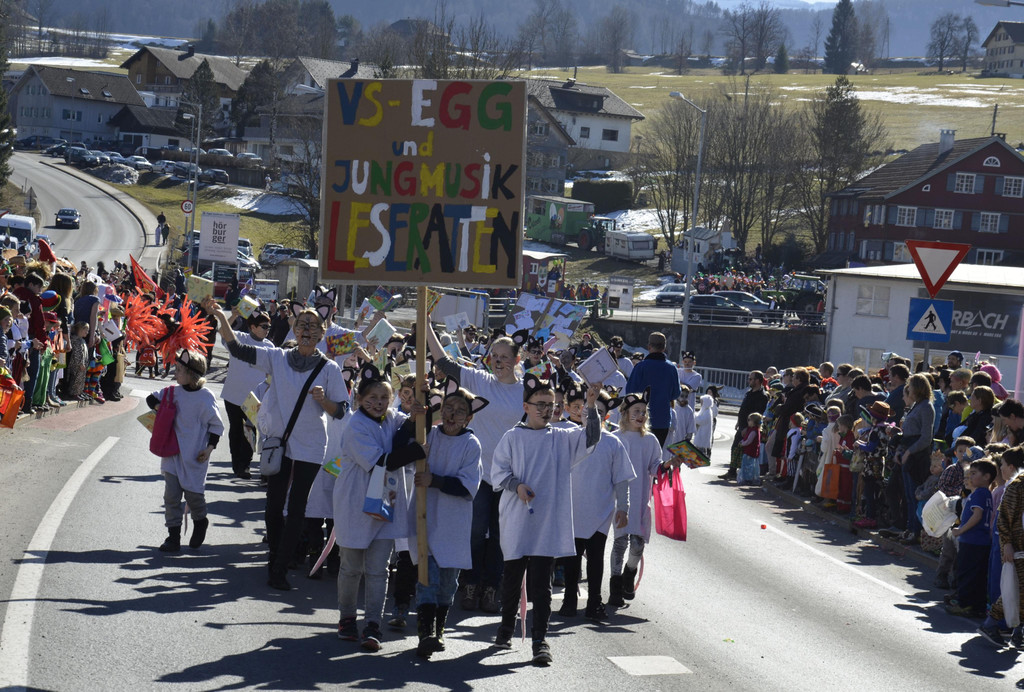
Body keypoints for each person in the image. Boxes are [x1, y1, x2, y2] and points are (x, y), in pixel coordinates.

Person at [203, 297, 349, 591]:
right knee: (273, 507)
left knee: (296, 509)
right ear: (294, 329)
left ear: (322, 333)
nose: (307, 330)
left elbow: (342, 411)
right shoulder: (278, 358)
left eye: (313, 326)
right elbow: (238, 349)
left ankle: (280, 568)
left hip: (311, 447)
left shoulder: (330, 369)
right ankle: (275, 556)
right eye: (302, 324)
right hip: (279, 444)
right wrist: (220, 317)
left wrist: (324, 401)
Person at [491, 374, 601, 666]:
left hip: (548, 522)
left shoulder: (562, 437)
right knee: (512, 579)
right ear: (526, 406)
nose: (546, 410)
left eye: (551, 405)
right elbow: (498, 472)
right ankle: (505, 628)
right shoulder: (512, 437)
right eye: (540, 404)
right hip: (517, 519)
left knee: (542, 585)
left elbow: (591, 439)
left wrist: (591, 406)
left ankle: (540, 640)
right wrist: (517, 485)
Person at [426, 324, 525, 614]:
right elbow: (444, 363)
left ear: (517, 360)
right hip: (479, 474)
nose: (498, 361)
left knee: (500, 536)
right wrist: (427, 324)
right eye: (494, 355)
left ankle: (492, 588)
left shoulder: (525, 392)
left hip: (510, 477)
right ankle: (469, 584)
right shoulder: (479, 380)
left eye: (505, 356)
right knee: (474, 532)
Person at [333, 363, 426, 652]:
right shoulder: (355, 426)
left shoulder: (391, 418)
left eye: (384, 397)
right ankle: (347, 618)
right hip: (355, 502)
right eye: (371, 398)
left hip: (386, 500)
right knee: (351, 567)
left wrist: (420, 408)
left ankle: (373, 623)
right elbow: (380, 462)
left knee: (378, 569)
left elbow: (409, 424)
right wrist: (414, 451)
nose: (378, 403)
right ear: (359, 399)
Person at [408, 380, 486, 659]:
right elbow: (407, 453)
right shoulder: (428, 434)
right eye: (449, 407)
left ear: (469, 418)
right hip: (425, 516)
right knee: (427, 578)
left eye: (460, 411)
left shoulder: (471, 444)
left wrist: (436, 480)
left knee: (448, 583)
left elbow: (468, 486)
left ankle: (439, 629)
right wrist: (416, 415)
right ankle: (425, 634)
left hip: (453, 522)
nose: (452, 415)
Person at [559, 386, 633, 621]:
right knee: (571, 560)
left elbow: (621, 478)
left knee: (595, 558)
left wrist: (623, 507)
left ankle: (594, 602)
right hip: (572, 510)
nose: (590, 414)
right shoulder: (570, 438)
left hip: (600, 512)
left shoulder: (613, 443)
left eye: (598, 411)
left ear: (606, 415)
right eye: (586, 409)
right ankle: (569, 599)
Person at [609, 389, 683, 608]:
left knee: (637, 544)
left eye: (643, 411)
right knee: (620, 543)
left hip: (641, 498)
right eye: (636, 411)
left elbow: (655, 466)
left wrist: (668, 465)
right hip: (619, 499)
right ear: (625, 413)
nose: (640, 415)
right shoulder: (615, 438)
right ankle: (615, 588)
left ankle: (629, 573)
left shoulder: (650, 440)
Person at [146, 350, 224, 552]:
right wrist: (160, 409)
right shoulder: (172, 392)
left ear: (192, 374)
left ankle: (200, 520)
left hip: (195, 456)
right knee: (171, 498)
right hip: (172, 454)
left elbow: (216, 427)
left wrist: (209, 449)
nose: (176, 372)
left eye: (180, 370)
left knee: (194, 497)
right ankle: (173, 537)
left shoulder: (205, 397)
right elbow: (150, 398)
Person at [220, 309, 272, 479]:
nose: (267, 330)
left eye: (269, 327)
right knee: (236, 430)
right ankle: (237, 464)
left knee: (250, 431)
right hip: (233, 395)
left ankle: (245, 465)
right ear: (252, 327)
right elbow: (222, 330)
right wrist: (234, 315)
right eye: (264, 326)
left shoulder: (270, 347)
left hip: (254, 399)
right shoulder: (240, 338)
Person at [947, 459, 997, 618]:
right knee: (978, 575)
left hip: (972, 540)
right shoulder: (986, 493)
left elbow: (977, 516)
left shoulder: (980, 493)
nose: (970, 477)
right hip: (981, 541)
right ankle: (978, 606)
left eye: (974, 473)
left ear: (986, 477)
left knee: (966, 573)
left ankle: (964, 604)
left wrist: (960, 530)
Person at [895, 373, 936, 545]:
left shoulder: (926, 407)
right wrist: (900, 450)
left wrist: (909, 452)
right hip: (908, 452)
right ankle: (910, 528)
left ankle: (915, 531)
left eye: (910, 386)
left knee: (914, 495)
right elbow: (907, 434)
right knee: (908, 495)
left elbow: (926, 437)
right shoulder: (916, 406)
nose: (908, 389)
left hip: (917, 457)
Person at [625, 332, 680, 446]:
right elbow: (675, 394)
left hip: (639, 419)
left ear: (649, 346)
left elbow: (629, 392)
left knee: (639, 454)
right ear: (664, 348)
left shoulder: (640, 367)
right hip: (662, 420)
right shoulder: (671, 368)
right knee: (656, 455)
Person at [723, 371, 767, 481]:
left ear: (758, 381)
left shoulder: (762, 396)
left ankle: (744, 474)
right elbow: (743, 409)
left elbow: (757, 413)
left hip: (750, 427)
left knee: (746, 451)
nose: (749, 381)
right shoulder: (749, 393)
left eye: (751, 379)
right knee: (735, 448)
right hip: (743, 425)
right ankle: (732, 471)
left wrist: (748, 427)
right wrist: (739, 422)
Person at [737, 413, 762, 485]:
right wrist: (743, 441)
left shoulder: (754, 431)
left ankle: (748, 479)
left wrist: (742, 443)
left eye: (749, 420)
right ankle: (748, 478)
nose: (748, 421)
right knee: (748, 465)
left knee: (748, 465)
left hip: (750, 451)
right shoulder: (751, 429)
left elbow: (749, 441)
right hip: (750, 451)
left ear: (753, 422)